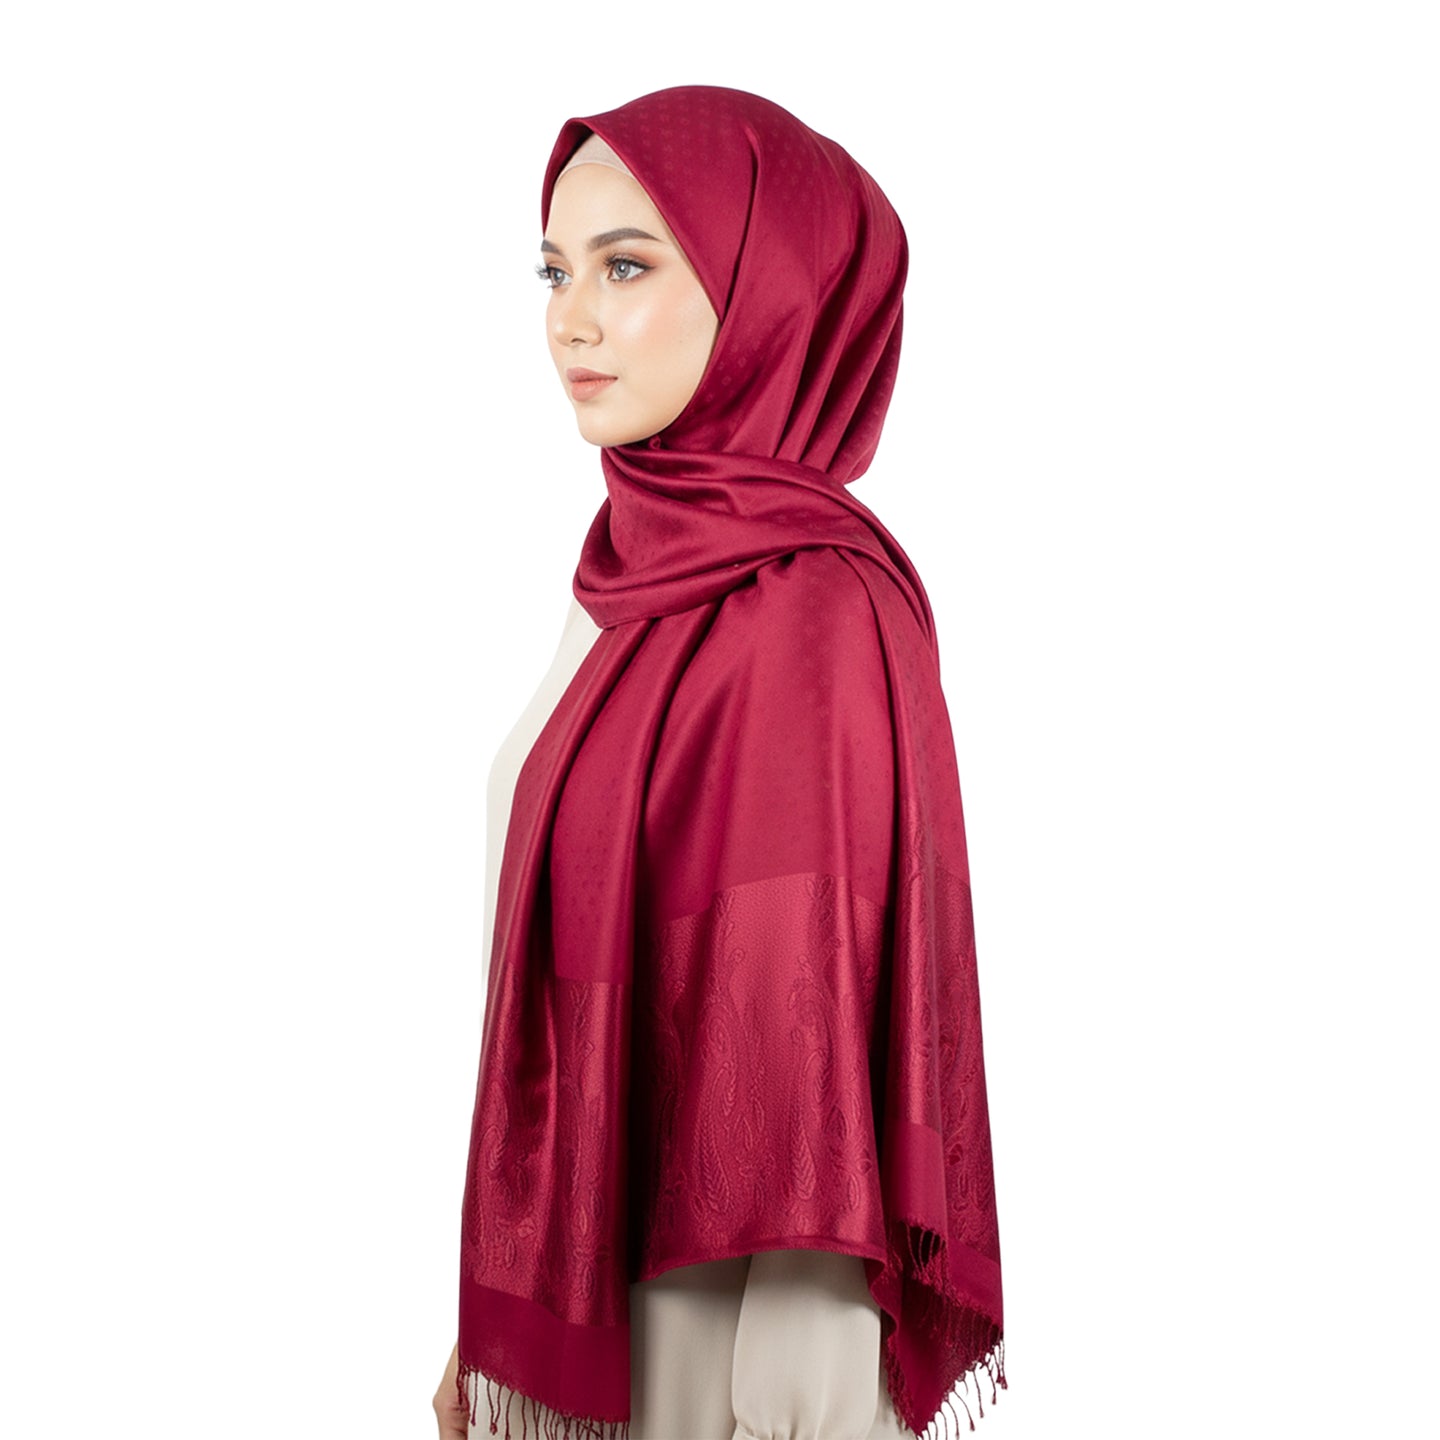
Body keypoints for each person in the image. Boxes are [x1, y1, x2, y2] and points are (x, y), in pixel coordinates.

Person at [434, 86, 1006, 1440]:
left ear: (771, 297)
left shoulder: (818, 614)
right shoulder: (626, 585)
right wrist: (486, 1338)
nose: (571, 319)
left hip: (729, 1393)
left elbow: (805, 1094)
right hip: (589, 1356)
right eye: (555, 272)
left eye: (627, 267)